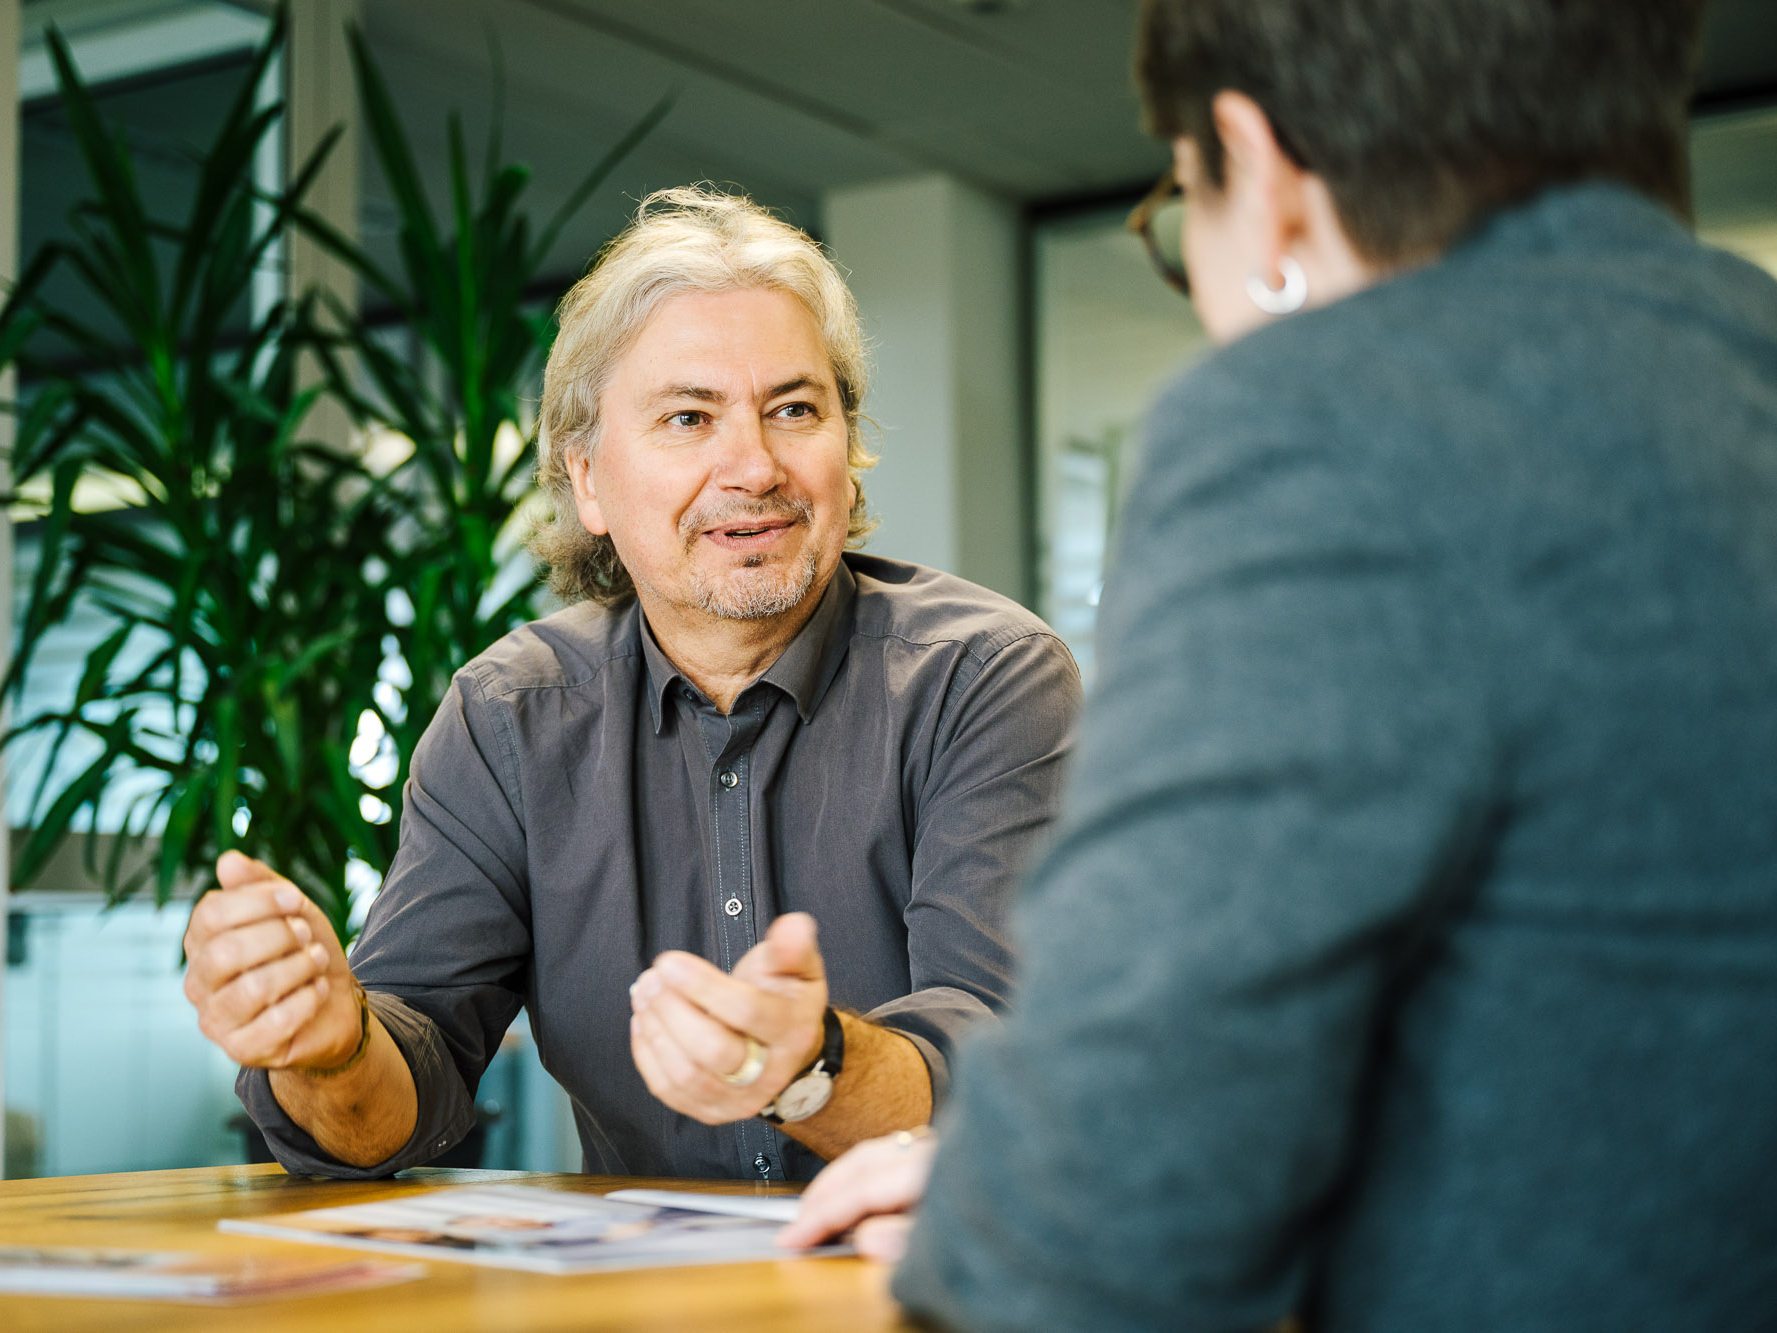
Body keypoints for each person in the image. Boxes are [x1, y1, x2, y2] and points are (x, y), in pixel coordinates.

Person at [783, 0, 1777, 1327]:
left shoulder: (1335, 418)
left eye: (1184, 209)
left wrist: (1007, 1206)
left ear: (1260, 173)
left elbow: (1110, 1213)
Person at [181, 187, 1081, 1184]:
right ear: (589, 482)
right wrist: (329, 1048)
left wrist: (809, 1065)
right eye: (689, 417)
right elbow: (410, 1080)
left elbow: (1001, 1058)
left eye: (794, 409)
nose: (754, 464)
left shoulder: (984, 678)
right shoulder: (510, 714)